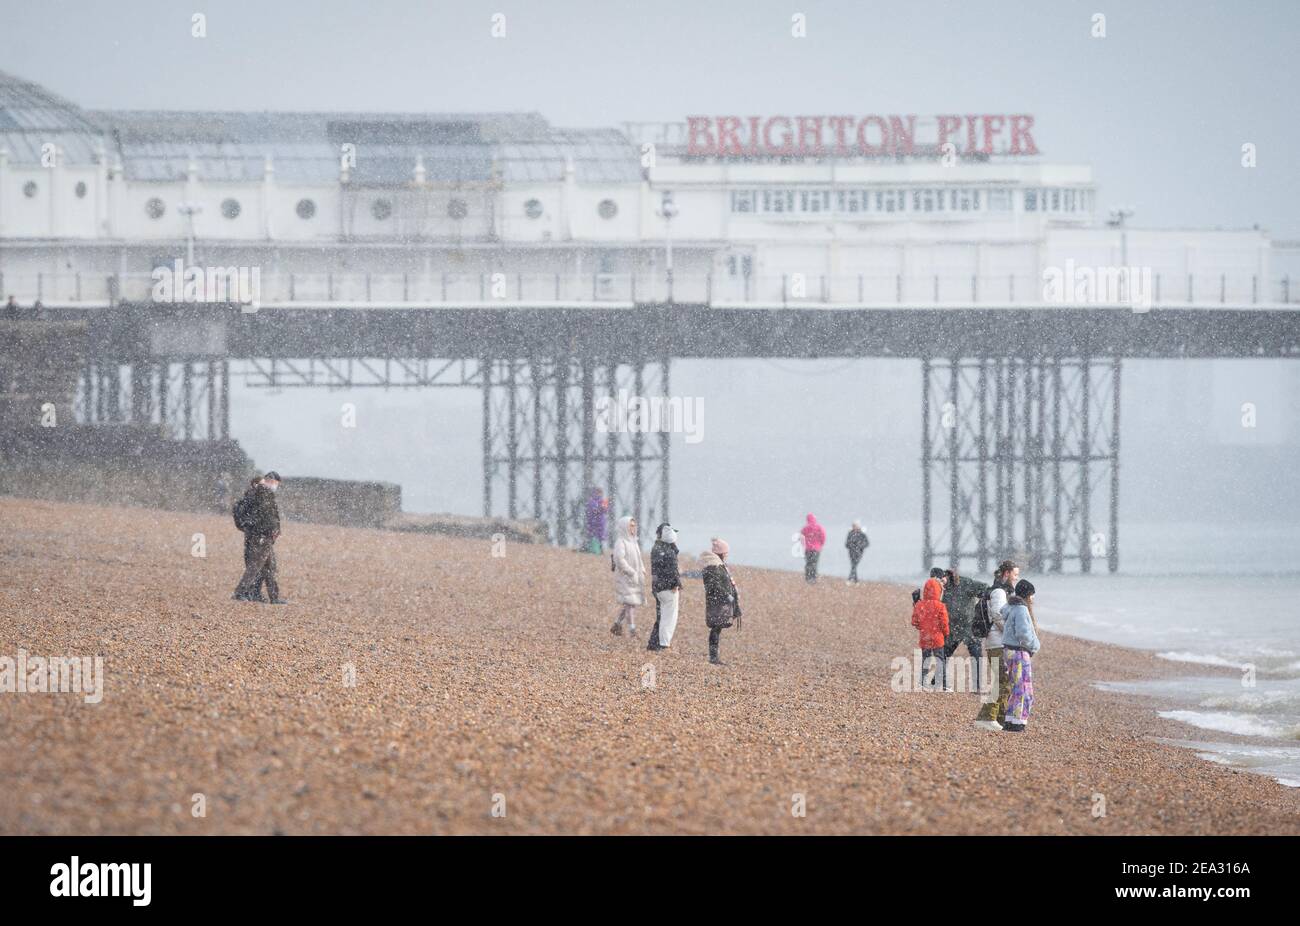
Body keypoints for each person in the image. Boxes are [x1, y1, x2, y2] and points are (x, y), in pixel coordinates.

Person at [974, 559, 1019, 730]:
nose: (1016, 578)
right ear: (1006, 573)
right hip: (997, 643)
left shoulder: (1000, 590)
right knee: (1002, 680)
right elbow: (998, 616)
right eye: (1015, 575)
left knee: (1005, 680)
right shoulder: (999, 592)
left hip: (998, 642)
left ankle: (1000, 719)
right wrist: (1013, 634)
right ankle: (986, 717)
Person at [233, 471, 287, 604]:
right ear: (269, 481)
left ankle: (273, 597)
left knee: (269, 567)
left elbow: (264, 515)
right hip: (262, 535)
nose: (275, 486)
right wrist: (270, 530)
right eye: (275, 483)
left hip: (263, 535)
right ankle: (241, 592)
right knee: (256, 565)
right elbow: (266, 516)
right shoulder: (262, 493)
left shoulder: (260, 493)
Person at [1000, 579, 1040, 733]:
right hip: (1019, 651)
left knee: (1016, 686)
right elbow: (1023, 633)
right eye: (1032, 595)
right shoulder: (1021, 610)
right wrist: (1034, 646)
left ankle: (1010, 719)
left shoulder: (1011, 607)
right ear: (1027, 595)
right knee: (1023, 688)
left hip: (1009, 650)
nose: (1033, 598)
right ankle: (1018, 721)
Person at [940, 568, 989, 692]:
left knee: (977, 656)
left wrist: (980, 608)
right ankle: (938, 680)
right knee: (944, 654)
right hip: (953, 629)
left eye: (944, 580)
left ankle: (977, 687)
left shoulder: (966, 583)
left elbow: (985, 589)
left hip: (969, 628)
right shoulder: (942, 589)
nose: (942, 582)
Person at [700, 537, 741, 665]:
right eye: (726, 553)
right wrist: (728, 596)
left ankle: (714, 657)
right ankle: (713, 657)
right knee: (716, 628)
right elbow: (715, 585)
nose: (727, 556)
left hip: (717, 601)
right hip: (717, 602)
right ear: (721, 553)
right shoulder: (715, 566)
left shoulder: (716, 564)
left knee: (717, 628)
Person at [646, 523, 683, 651]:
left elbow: (659, 570)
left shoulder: (656, 548)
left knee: (661, 616)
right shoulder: (669, 551)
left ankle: (654, 643)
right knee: (668, 618)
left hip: (658, 587)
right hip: (667, 588)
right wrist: (675, 584)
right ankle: (664, 644)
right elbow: (672, 571)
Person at [609, 515, 645, 637]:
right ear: (624, 527)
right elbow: (619, 559)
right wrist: (631, 572)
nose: (633, 528)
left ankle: (617, 624)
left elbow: (639, 558)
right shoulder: (621, 542)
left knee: (631, 603)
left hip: (635, 577)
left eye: (634, 526)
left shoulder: (634, 541)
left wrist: (642, 569)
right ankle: (632, 629)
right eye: (630, 526)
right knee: (630, 603)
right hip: (625, 577)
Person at [910, 576, 949, 691]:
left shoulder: (919, 605)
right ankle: (945, 685)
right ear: (938, 591)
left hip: (925, 637)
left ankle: (922, 682)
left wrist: (922, 627)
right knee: (940, 661)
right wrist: (946, 633)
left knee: (925, 660)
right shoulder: (940, 606)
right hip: (938, 638)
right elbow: (944, 623)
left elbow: (914, 622)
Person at [800, 513, 826, 583]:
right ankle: (813, 578)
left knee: (808, 563)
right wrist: (821, 544)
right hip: (816, 549)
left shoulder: (805, 528)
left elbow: (801, 537)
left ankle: (808, 578)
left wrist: (804, 545)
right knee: (814, 563)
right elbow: (823, 536)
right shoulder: (819, 527)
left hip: (808, 549)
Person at [584, 487, 608, 555]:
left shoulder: (592, 501)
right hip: (597, 522)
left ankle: (595, 549)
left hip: (595, 522)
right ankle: (596, 549)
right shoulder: (597, 501)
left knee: (595, 536)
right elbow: (602, 510)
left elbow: (601, 510)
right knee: (597, 537)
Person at [844, 520, 869, 585]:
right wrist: (851, 546)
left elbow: (866, 543)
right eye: (854, 526)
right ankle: (855, 581)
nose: (855, 527)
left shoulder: (862, 534)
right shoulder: (850, 533)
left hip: (859, 552)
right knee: (854, 566)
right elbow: (846, 544)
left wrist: (860, 546)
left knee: (854, 566)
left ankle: (850, 579)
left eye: (856, 526)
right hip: (851, 552)